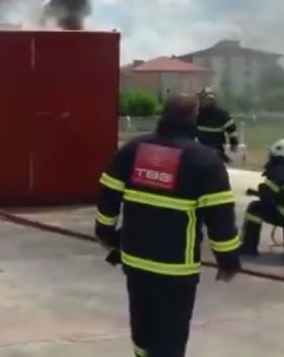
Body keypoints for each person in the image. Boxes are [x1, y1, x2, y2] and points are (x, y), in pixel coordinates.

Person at [95, 93, 241, 357]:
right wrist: (228, 260)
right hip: (175, 268)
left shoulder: (134, 149)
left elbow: (108, 193)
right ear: (194, 117)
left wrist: (105, 232)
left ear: (163, 114)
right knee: (170, 337)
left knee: (142, 330)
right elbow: (220, 217)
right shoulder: (205, 160)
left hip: (135, 261)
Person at [196, 87, 239, 162]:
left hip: (215, 151)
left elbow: (232, 130)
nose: (206, 102)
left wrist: (234, 144)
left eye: (209, 100)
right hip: (201, 150)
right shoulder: (196, 114)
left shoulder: (221, 114)